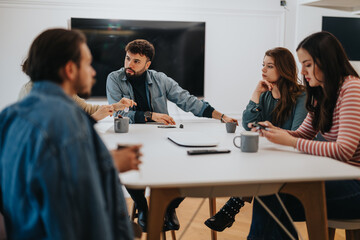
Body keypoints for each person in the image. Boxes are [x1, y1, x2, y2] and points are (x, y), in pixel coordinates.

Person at [0, 28, 142, 239]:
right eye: (87, 64)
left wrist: (105, 160)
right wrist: (111, 165)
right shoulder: (67, 122)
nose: (93, 72)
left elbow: (50, 171)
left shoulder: (9, 115)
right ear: (70, 69)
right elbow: (78, 210)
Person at [106, 39, 238, 232]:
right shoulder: (114, 78)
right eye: (128, 59)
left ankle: (169, 207)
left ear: (147, 64)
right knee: (129, 168)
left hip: (160, 137)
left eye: (136, 61)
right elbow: (119, 113)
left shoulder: (160, 79)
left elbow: (187, 100)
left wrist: (222, 116)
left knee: (189, 165)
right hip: (130, 135)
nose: (129, 65)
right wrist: (152, 115)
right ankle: (143, 207)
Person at [247, 31, 360, 239]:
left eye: (307, 64)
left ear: (326, 61)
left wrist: (290, 141)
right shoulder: (321, 92)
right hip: (334, 177)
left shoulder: (351, 87)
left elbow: (344, 150)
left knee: (273, 193)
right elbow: (303, 134)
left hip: (354, 185)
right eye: (302, 65)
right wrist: (276, 131)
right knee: (268, 192)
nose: (303, 71)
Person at [204, 47, 308, 232]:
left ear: (283, 69)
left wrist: (270, 130)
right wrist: (255, 94)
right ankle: (232, 209)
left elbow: (298, 132)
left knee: (261, 179)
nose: (263, 70)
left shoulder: (301, 95)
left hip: (293, 162)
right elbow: (248, 124)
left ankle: (231, 208)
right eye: (263, 65)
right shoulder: (266, 94)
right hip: (271, 158)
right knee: (257, 173)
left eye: (269, 66)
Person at [18, 79, 137, 121]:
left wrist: (116, 106)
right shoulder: (31, 91)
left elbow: (87, 109)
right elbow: (60, 134)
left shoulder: (63, 88)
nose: (92, 72)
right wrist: (94, 118)